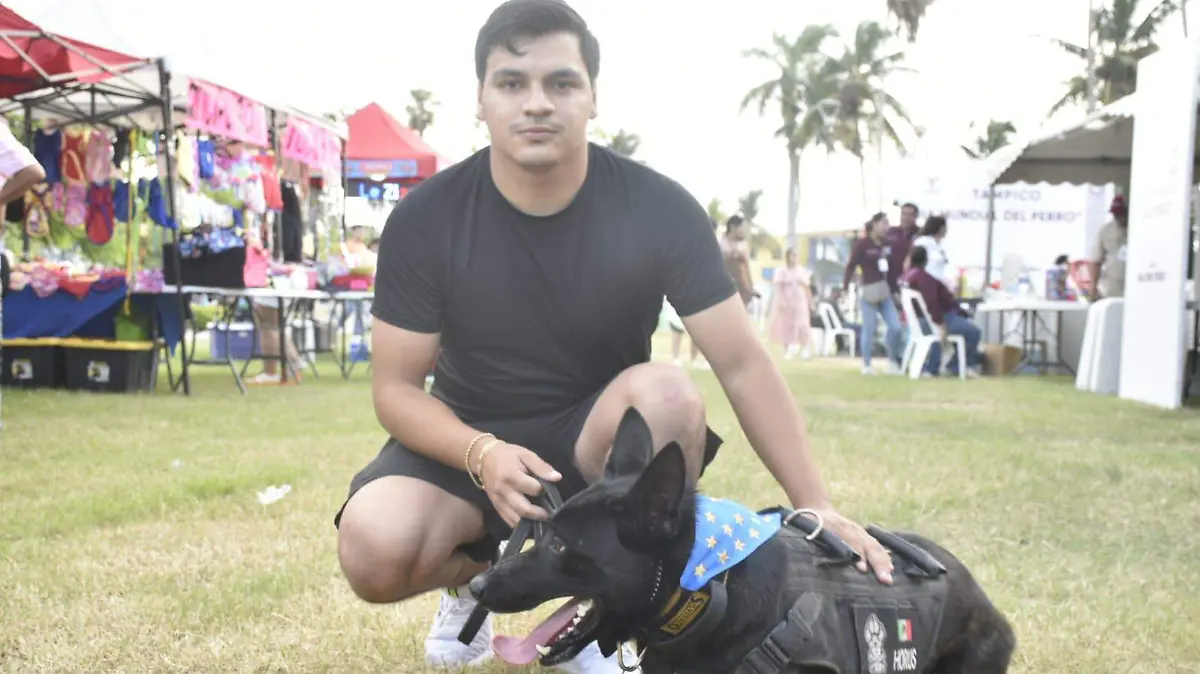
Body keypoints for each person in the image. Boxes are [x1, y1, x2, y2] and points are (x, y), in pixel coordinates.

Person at [332, 1, 895, 671]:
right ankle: (475, 575)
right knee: (373, 549)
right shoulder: (428, 218)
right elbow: (396, 387)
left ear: (592, 96)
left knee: (669, 394)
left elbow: (742, 363)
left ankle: (616, 617)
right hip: (471, 439)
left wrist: (816, 506)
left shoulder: (656, 207)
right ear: (480, 101)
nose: (536, 102)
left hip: (596, 444)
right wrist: (480, 452)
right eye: (511, 83)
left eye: (561, 82)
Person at [901, 246, 981, 377]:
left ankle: (954, 364)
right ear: (926, 260)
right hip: (937, 319)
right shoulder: (924, 278)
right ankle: (956, 366)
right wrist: (940, 322)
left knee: (964, 327)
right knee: (974, 332)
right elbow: (932, 301)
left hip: (921, 320)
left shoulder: (908, 277)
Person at [843, 212, 904, 375]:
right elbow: (851, 266)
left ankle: (892, 362)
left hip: (885, 292)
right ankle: (867, 364)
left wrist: (896, 290)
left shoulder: (886, 245)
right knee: (869, 329)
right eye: (883, 223)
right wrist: (845, 288)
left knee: (896, 327)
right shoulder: (863, 244)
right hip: (869, 291)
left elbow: (891, 270)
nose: (887, 227)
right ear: (874, 225)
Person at [768, 248, 816, 359]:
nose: (794, 258)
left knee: (802, 324)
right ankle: (789, 348)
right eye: (793, 255)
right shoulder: (782, 271)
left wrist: (811, 302)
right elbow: (779, 288)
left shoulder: (801, 271)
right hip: (787, 302)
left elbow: (806, 288)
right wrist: (781, 301)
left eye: (796, 255)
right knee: (787, 325)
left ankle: (805, 347)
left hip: (800, 301)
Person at [1088, 195, 1128, 301]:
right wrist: (1093, 286)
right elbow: (1095, 260)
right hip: (1112, 287)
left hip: (1133, 285)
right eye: (1115, 213)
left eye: (1121, 213)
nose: (1118, 216)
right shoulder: (1106, 230)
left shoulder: (1140, 228)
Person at [911, 214, 954, 290]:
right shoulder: (922, 242)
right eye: (945, 227)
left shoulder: (938, 245)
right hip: (926, 285)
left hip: (939, 285)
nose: (947, 230)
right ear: (941, 228)